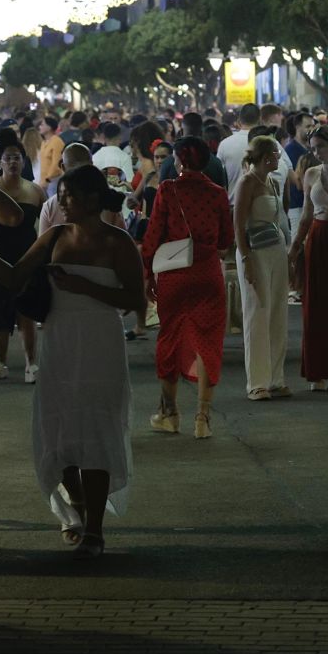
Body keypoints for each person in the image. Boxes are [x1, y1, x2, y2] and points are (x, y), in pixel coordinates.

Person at [0, 164, 143, 556]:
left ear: (92, 198)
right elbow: (15, 278)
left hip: (101, 341)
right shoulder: (54, 236)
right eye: (61, 194)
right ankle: (78, 506)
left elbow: (137, 301)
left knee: (98, 430)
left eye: (67, 195)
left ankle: (95, 529)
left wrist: (83, 285)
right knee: (61, 428)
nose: (61, 201)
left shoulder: (117, 242)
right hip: (60, 340)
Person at [140, 137, 233, 440]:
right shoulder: (218, 194)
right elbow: (225, 240)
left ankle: (169, 414)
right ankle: (202, 418)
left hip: (174, 274)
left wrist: (146, 273)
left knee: (169, 338)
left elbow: (153, 235)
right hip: (207, 273)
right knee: (207, 342)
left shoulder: (168, 190)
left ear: (179, 161)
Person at [233, 135, 291, 401]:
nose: (280, 158)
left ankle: (275, 377)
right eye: (277, 154)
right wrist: (245, 259)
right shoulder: (247, 182)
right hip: (255, 252)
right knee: (257, 312)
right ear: (267, 156)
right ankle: (257, 382)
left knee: (278, 311)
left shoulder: (273, 182)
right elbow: (239, 224)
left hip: (276, 249)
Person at [291, 124, 328, 392]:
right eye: (313, 149)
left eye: (322, 147)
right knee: (315, 302)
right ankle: (318, 370)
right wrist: (295, 247)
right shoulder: (311, 173)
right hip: (318, 236)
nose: (318, 153)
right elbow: (305, 214)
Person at [0, 140, 44, 382]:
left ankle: (31, 361)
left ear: (23, 161)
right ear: (0, 163)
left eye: (17, 157)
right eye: (8, 158)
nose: (12, 162)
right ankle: (1, 359)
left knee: (25, 309)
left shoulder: (35, 190)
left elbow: (48, 222)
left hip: (26, 254)